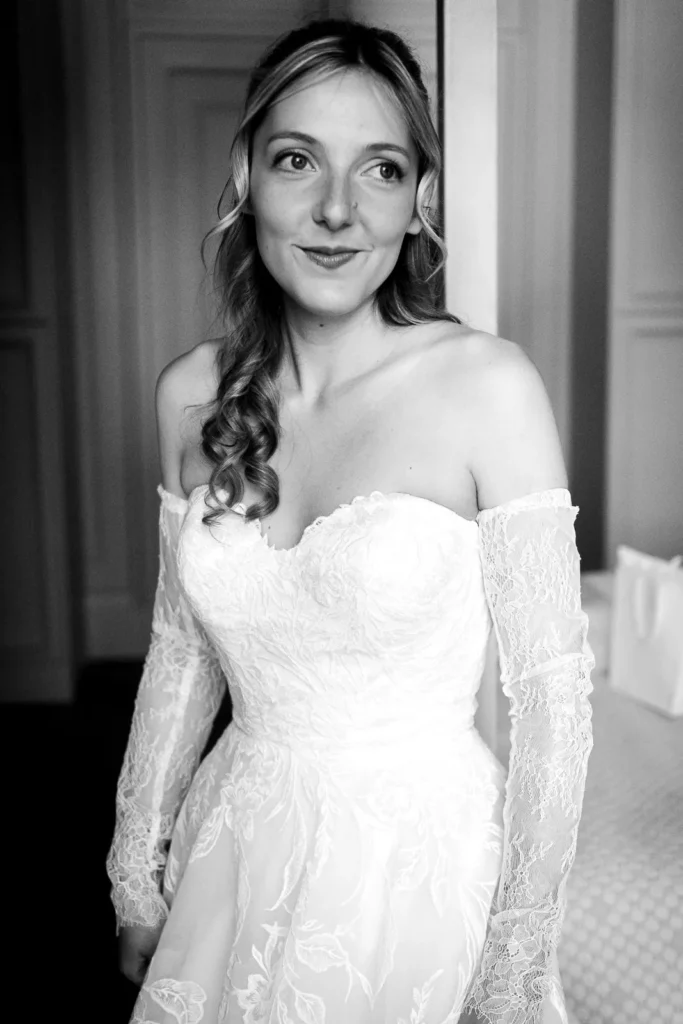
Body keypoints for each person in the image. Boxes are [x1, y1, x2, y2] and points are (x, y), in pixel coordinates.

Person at [106, 18, 594, 1024]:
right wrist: (137, 870)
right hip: (234, 849)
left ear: (419, 199)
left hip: (417, 881)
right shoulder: (190, 396)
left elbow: (552, 702)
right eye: (298, 160)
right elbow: (181, 651)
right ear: (246, 177)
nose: (336, 209)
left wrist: (512, 962)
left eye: (379, 169)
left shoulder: (485, 386)